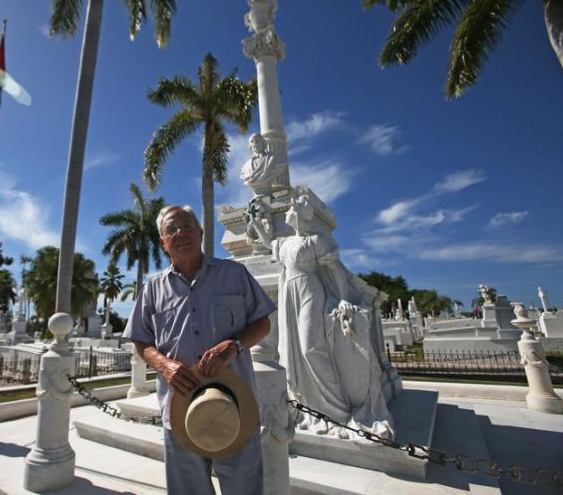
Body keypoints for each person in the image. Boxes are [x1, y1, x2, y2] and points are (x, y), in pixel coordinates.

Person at [124, 204, 276, 495]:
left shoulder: (235, 274)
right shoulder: (153, 289)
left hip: (235, 408)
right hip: (179, 411)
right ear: (163, 243)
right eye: (171, 230)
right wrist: (163, 364)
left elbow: (262, 324)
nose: (181, 233)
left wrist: (234, 346)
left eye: (187, 226)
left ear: (201, 233)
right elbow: (141, 341)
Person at [249, 194, 394, 440]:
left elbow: (335, 272)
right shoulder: (284, 243)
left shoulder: (316, 241)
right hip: (289, 295)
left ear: (302, 215)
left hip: (309, 290)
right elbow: (267, 242)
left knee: (310, 348)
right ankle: (307, 403)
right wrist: (255, 221)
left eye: (294, 208)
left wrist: (344, 298)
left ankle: (334, 409)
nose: (289, 211)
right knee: (292, 351)